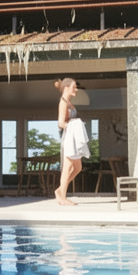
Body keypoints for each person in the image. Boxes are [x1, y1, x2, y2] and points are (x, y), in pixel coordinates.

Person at [54, 77, 89, 205]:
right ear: (66, 88)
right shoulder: (63, 102)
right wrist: (74, 126)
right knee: (67, 167)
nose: (76, 89)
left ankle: (59, 190)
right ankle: (62, 197)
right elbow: (61, 123)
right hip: (68, 137)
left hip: (73, 137)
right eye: (74, 87)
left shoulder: (68, 102)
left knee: (78, 167)